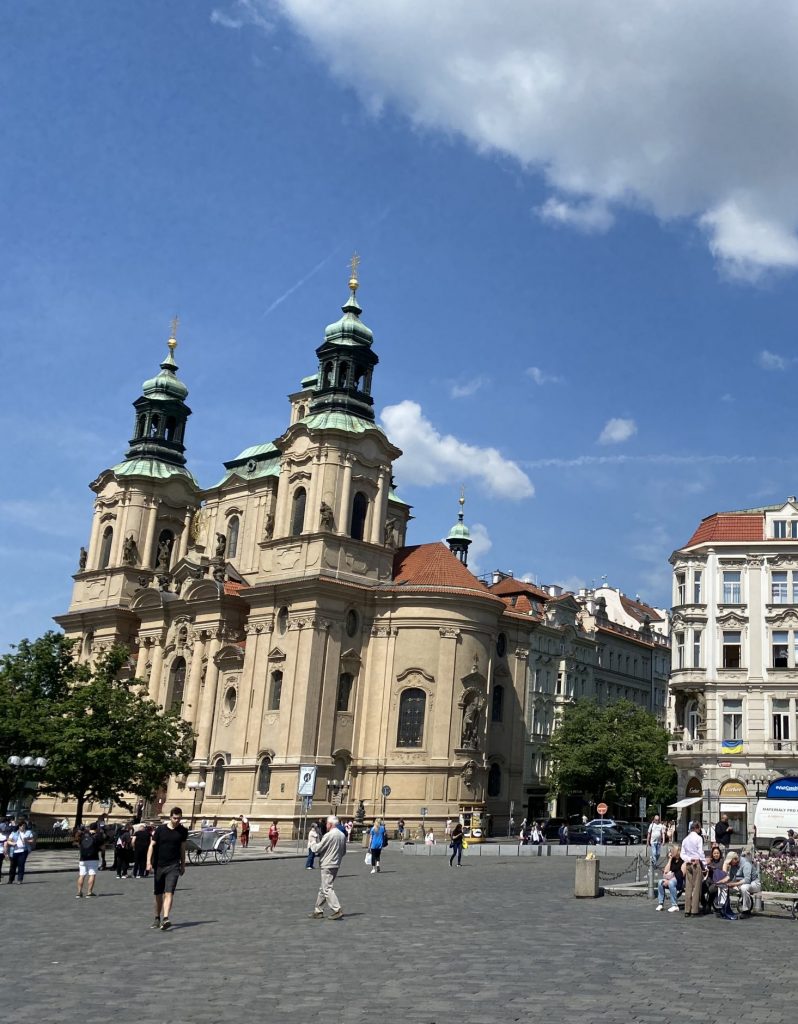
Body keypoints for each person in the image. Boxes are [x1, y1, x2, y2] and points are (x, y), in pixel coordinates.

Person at [146, 807, 188, 931]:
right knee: (158, 894)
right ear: (170, 817)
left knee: (169, 892)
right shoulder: (160, 830)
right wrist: (148, 862)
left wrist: (183, 864)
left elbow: (182, 849)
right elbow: (151, 846)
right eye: (175, 818)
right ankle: (157, 917)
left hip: (173, 865)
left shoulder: (182, 831)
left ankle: (165, 918)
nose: (177, 821)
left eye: (179, 818)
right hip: (159, 865)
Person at [308, 815, 347, 920]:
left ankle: (337, 909)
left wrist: (312, 843)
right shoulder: (342, 835)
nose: (326, 825)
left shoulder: (328, 835)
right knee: (323, 888)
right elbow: (343, 852)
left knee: (327, 888)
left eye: (327, 824)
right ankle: (318, 910)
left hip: (327, 864)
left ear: (330, 824)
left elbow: (317, 849)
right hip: (336, 864)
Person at [679, 820, 707, 917]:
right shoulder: (698, 838)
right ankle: (694, 910)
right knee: (696, 888)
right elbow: (701, 853)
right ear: (697, 828)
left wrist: (689, 859)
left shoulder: (685, 839)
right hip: (696, 863)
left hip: (688, 864)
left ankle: (687, 910)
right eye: (699, 828)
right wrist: (705, 866)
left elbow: (682, 854)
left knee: (689, 887)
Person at [728, 848, 761, 918]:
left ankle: (746, 911)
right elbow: (730, 878)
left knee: (743, 887)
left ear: (735, 859)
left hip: (754, 883)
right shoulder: (733, 865)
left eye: (730, 861)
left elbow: (747, 880)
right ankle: (723, 907)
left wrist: (733, 884)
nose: (729, 863)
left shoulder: (746, 864)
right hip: (740, 883)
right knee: (724, 887)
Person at [76, 822, 103, 898]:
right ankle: (89, 892)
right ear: (96, 828)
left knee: (81, 875)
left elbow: (79, 844)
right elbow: (103, 847)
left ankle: (79, 892)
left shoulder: (83, 835)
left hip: (83, 858)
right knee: (92, 874)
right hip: (93, 858)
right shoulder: (98, 836)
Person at [656, 844, 684, 912]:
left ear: (678, 852)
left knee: (671, 883)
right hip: (671, 878)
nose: (671, 852)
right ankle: (660, 903)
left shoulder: (682, 860)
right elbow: (665, 871)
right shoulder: (673, 860)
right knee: (660, 882)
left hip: (680, 881)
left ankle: (674, 905)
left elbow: (681, 874)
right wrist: (670, 859)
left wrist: (669, 880)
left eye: (673, 851)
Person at [5, 818, 35, 883]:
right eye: (22, 826)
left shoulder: (28, 832)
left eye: (24, 826)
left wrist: (27, 840)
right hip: (14, 851)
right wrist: (13, 843)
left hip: (23, 851)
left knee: (21, 865)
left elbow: (32, 840)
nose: (23, 827)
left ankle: (19, 879)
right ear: (19, 826)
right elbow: (8, 841)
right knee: (13, 866)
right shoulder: (14, 833)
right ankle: (11, 879)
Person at [701, 845, 724, 913]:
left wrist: (715, 870)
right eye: (714, 853)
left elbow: (723, 873)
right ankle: (704, 904)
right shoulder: (710, 861)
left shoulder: (722, 862)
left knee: (711, 889)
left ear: (720, 854)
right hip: (709, 879)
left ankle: (708, 905)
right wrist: (707, 868)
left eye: (717, 853)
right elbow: (705, 869)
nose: (716, 855)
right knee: (700, 888)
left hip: (717, 881)